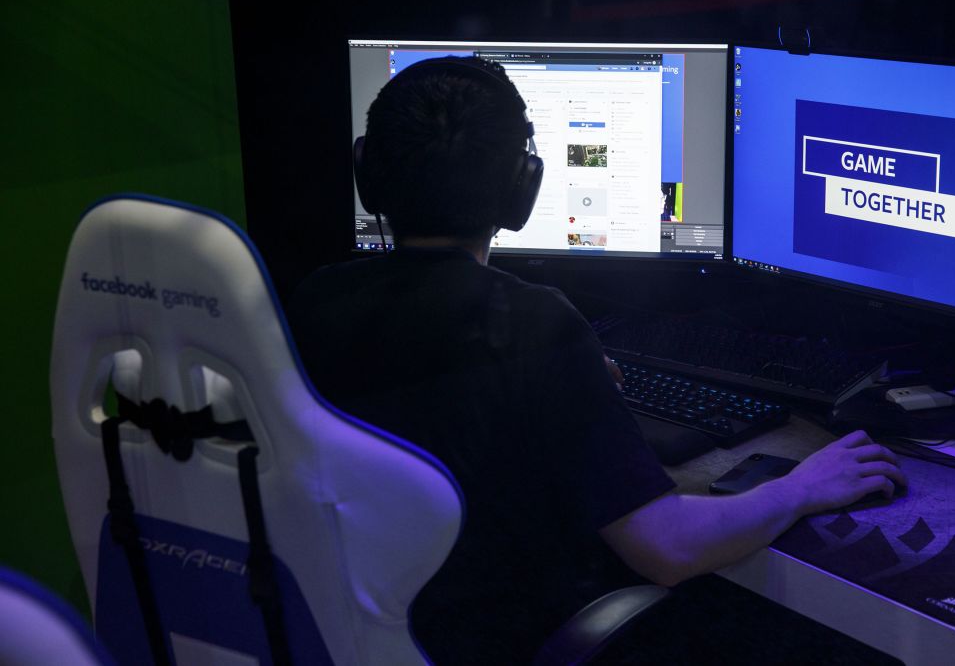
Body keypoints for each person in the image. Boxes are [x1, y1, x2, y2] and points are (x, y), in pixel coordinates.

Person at [288, 57, 907, 664]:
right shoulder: (533, 324)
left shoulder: (315, 300)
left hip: (361, 630)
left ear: (367, 173)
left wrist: (568, 381)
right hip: (493, 638)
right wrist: (800, 488)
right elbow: (666, 548)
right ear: (521, 189)